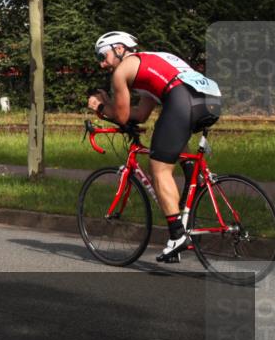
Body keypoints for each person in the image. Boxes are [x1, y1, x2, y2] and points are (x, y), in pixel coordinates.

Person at [86, 31, 221, 263]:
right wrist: (117, 110)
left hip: (182, 98)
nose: (102, 63)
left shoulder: (122, 71)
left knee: (158, 168)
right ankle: (191, 191)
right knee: (172, 143)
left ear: (119, 49)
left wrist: (100, 107)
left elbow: (122, 115)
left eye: (103, 55)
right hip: (210, 98)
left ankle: (177, 235)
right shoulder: (152, 62)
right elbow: (139, 115)